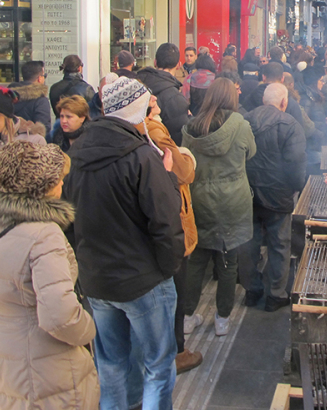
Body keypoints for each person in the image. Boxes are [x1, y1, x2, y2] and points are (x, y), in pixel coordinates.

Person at [64, 76, 185, 408]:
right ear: (136, 111)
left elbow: (69, 218)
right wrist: (168, 268)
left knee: (112, 364)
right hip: (143, 279)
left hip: (97, 280)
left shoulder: (77, 154)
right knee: (158, 365)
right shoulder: (143, 157)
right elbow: (165, 221)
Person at [0, 141, 99, 409]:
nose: (62, 184)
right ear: (40, 188)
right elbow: (59, 316)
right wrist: (89, 330)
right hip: (42, 366)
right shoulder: (43, 235)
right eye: (58, 179)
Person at [181, 78, 256, 336]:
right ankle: (222, 319)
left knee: (196, 261)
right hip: (233, 202)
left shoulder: (190, 128)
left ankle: (187, 317)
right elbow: (251, 152)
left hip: (199, 200)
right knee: (227, 262)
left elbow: (185, 162)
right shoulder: (241, 125)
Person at [141, 93, 202, 373]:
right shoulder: (153, 130)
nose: (158, 102)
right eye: (153, 102)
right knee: (175, 290)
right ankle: (176, 352)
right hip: (172, 221)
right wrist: (186, 156)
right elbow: (184, 172)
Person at [241, 84, 306, 311]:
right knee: (279, 244)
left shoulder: (245, 120)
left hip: (247, 192)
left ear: (263, 100)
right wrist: (296, 187)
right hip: (278, 194)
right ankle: (276, 295)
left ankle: (252, 290)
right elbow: (295, 162)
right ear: (284, 102)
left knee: (249, 243)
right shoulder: (290, 125)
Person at [138, 43, 190, 144]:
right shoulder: (176, 98)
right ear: (178, 65)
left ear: (155, 62)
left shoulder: (137, 85)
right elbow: (180, 137)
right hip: (163, 149)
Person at [10, 60, 52, 133]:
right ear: (39, 78)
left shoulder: (8, 96)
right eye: (44, 75)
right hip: (31, 139)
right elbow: (43, 129)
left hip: (9, 138)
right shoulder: (41, 101)